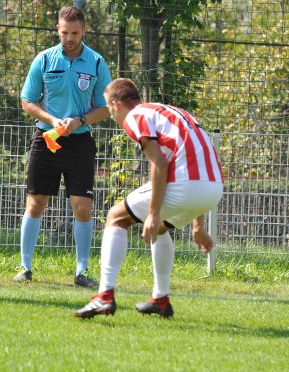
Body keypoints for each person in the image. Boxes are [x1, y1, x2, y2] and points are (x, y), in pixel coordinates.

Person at [73, 78, 224, 319]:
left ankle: (103, 296)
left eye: (109, 109)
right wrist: (198, 225)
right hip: (214, 189)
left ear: (115, 104)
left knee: (116, 217)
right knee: (161, 230)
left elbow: (160, 163)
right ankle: (160, 299)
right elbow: (192, 160)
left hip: (186, 185)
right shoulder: (172, 112)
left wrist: (152, 215)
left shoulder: (136, 115)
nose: (112, 116)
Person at [13, 6, 113, 287]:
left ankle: (82, 271)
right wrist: (52, 120)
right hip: (46, 140)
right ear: (57, 29)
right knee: (36, 202)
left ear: (84, 32)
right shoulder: (43, 60)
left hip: (80, 142)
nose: (69, 38)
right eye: (64, 32)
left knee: (82, 206)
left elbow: (105, 107)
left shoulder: (96, 63)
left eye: (75, 33)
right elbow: (28, 101)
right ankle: (25, 267)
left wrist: (80, 119)